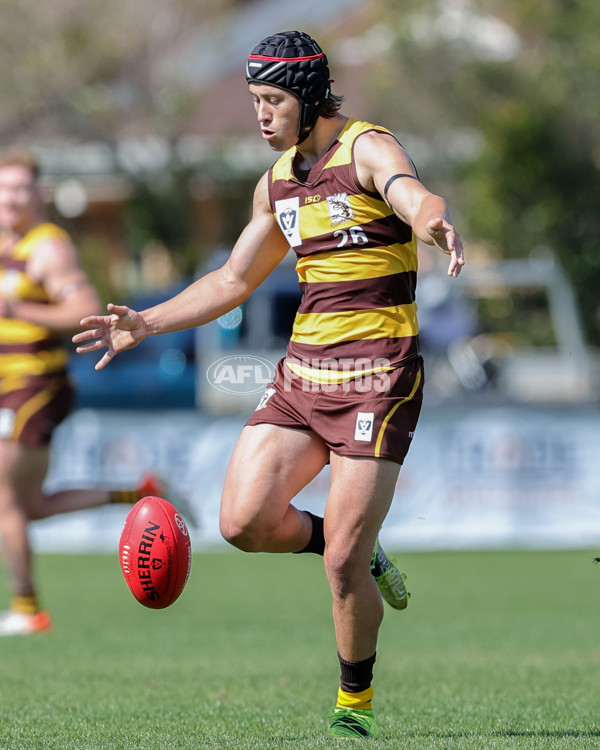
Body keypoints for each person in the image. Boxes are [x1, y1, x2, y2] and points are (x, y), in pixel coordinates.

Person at [74, 30, 465, 739]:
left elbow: (412, 193)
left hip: (378, 379)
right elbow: (231, 279)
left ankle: (354, 704)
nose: (261, 114)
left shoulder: (367, 148)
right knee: (243, 524)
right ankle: (356, 546)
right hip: (302, 377)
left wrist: (434, 220)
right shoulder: (278, 181)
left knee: (342, 565)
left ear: (309, 96)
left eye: (272, 100)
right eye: (255, 99)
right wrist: (146, 323)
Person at [0, 149, 172, 636]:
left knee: (3, 501)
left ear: (38, 195)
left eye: (19, 188)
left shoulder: (46, 248)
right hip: (8, 387)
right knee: (26, 504)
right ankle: (136, 490)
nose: (9, 198)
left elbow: (86, 310)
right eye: (2, 188)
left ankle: (28, 608)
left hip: (33, 385)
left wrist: (19, 310)